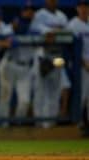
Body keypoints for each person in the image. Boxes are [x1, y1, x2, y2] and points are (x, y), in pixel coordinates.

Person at [30, 0, 71, 128]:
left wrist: (54, 31)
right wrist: (53, 31)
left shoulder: (62, 16)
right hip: (43, 54)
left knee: (55, 91)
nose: (51, 1)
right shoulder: (39, 15)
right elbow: (35, 30)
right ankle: (38, 123)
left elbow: (69, 33)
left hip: (57, 56)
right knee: (40, 91)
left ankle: (50, 124)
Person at [0, 1, 36, 120]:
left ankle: (19, 125)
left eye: (31, 10)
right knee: (5, 96)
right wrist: (14, 31)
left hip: (26, 68)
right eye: (26, 10)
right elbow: (4, 37)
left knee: (25, 100)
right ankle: (2, 125)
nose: (28, 12)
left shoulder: (37, 26)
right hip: (10, 63)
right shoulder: (11, 26)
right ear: (22, 12)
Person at [67, 0, 89, 136]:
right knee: (81, 96)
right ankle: (79, 124)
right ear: (77, 8)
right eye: (81, 6)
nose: (84, 9)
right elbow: (71, 48)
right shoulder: (72, 25)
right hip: (80, 66)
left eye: (86, 6)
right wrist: (83, 62)